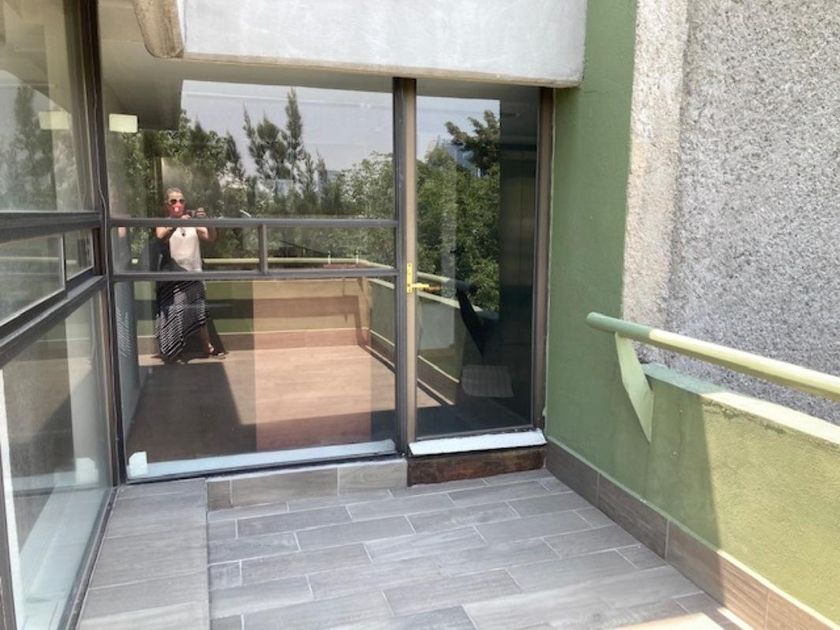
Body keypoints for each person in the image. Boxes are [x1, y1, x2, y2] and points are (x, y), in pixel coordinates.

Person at [154, 187, 220, 361]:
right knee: (174, 313)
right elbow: (160, 237)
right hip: (173, 277)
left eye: (181, 201)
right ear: (167, 205)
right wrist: (177, 223)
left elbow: (211, 238)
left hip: (194, 274)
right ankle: (172, 350)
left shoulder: (192, 223)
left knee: (199, 312)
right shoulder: (163, 222)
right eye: (173, 201)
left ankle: (207, 347)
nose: (178, 204)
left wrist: (207, 221)